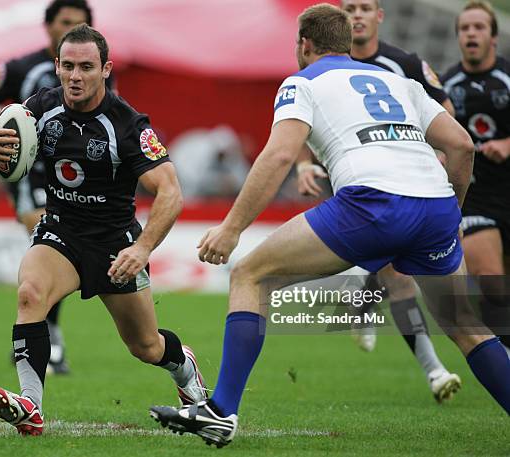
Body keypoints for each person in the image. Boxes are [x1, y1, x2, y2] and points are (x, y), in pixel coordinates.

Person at [150, 4, 510, 447]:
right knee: (465, 325)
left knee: (249, 274)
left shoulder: (301, 81)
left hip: (372, 202)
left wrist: (231, 228)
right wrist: (451, 212)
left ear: (304, 44)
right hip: (433, 207)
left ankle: (221, 410)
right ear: (346, 41)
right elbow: (461, 146)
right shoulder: (400, 82)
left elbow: (279, 155)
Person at [0, 24, 207, 436]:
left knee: (146, 346)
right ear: (57, 67)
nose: (75, 76)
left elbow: (170, 191)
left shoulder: (128, 124)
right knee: (30, 294)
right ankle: (31, 404)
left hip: (116, 244)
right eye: (68, 66)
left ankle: (185, 370)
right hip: (60, 232)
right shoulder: (40, 107)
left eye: (86, 67)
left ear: (106, 69)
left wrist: (144, 247)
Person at [296, 0, 461, 402]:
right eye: (349, 7)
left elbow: (445, 111)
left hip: (413, 182)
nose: (357, 14)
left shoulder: (404, 63)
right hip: (363, 182)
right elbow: (299, 125)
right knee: (397, 274)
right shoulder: (316, 72)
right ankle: (432, 366)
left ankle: (366, 303)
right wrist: (303, 164)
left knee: (405, 274)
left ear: (379, 16)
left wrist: (438, 153)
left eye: (365, 7)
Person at [0, 0, 112, 374]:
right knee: (46, 231)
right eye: (65, 22)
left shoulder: (97, 71)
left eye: (78, 24)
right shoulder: (19, 69)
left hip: (75, 173)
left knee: (54, 239)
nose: (70, 29)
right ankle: (48, 330)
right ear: (47, 26)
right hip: (30, 171)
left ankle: (44, 326)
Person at [441, 0, 510, 355]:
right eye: (464, 29)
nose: (470, 34)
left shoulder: (507, 78)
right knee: (490, 283)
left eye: (478, 27)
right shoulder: (447, 85)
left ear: (493, 37)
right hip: (476, 196)